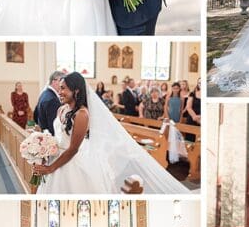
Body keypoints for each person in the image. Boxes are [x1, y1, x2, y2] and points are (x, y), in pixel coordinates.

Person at [33, 72, 186, 193]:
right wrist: (46, 149)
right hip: (55, 158)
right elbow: (57, 136)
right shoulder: (62, 108)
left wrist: (51, 168)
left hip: (70, 164)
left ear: (76, 90)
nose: (59, 92)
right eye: (59, 88)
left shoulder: (81, 114)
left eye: (63, 88)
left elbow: (73, 149)